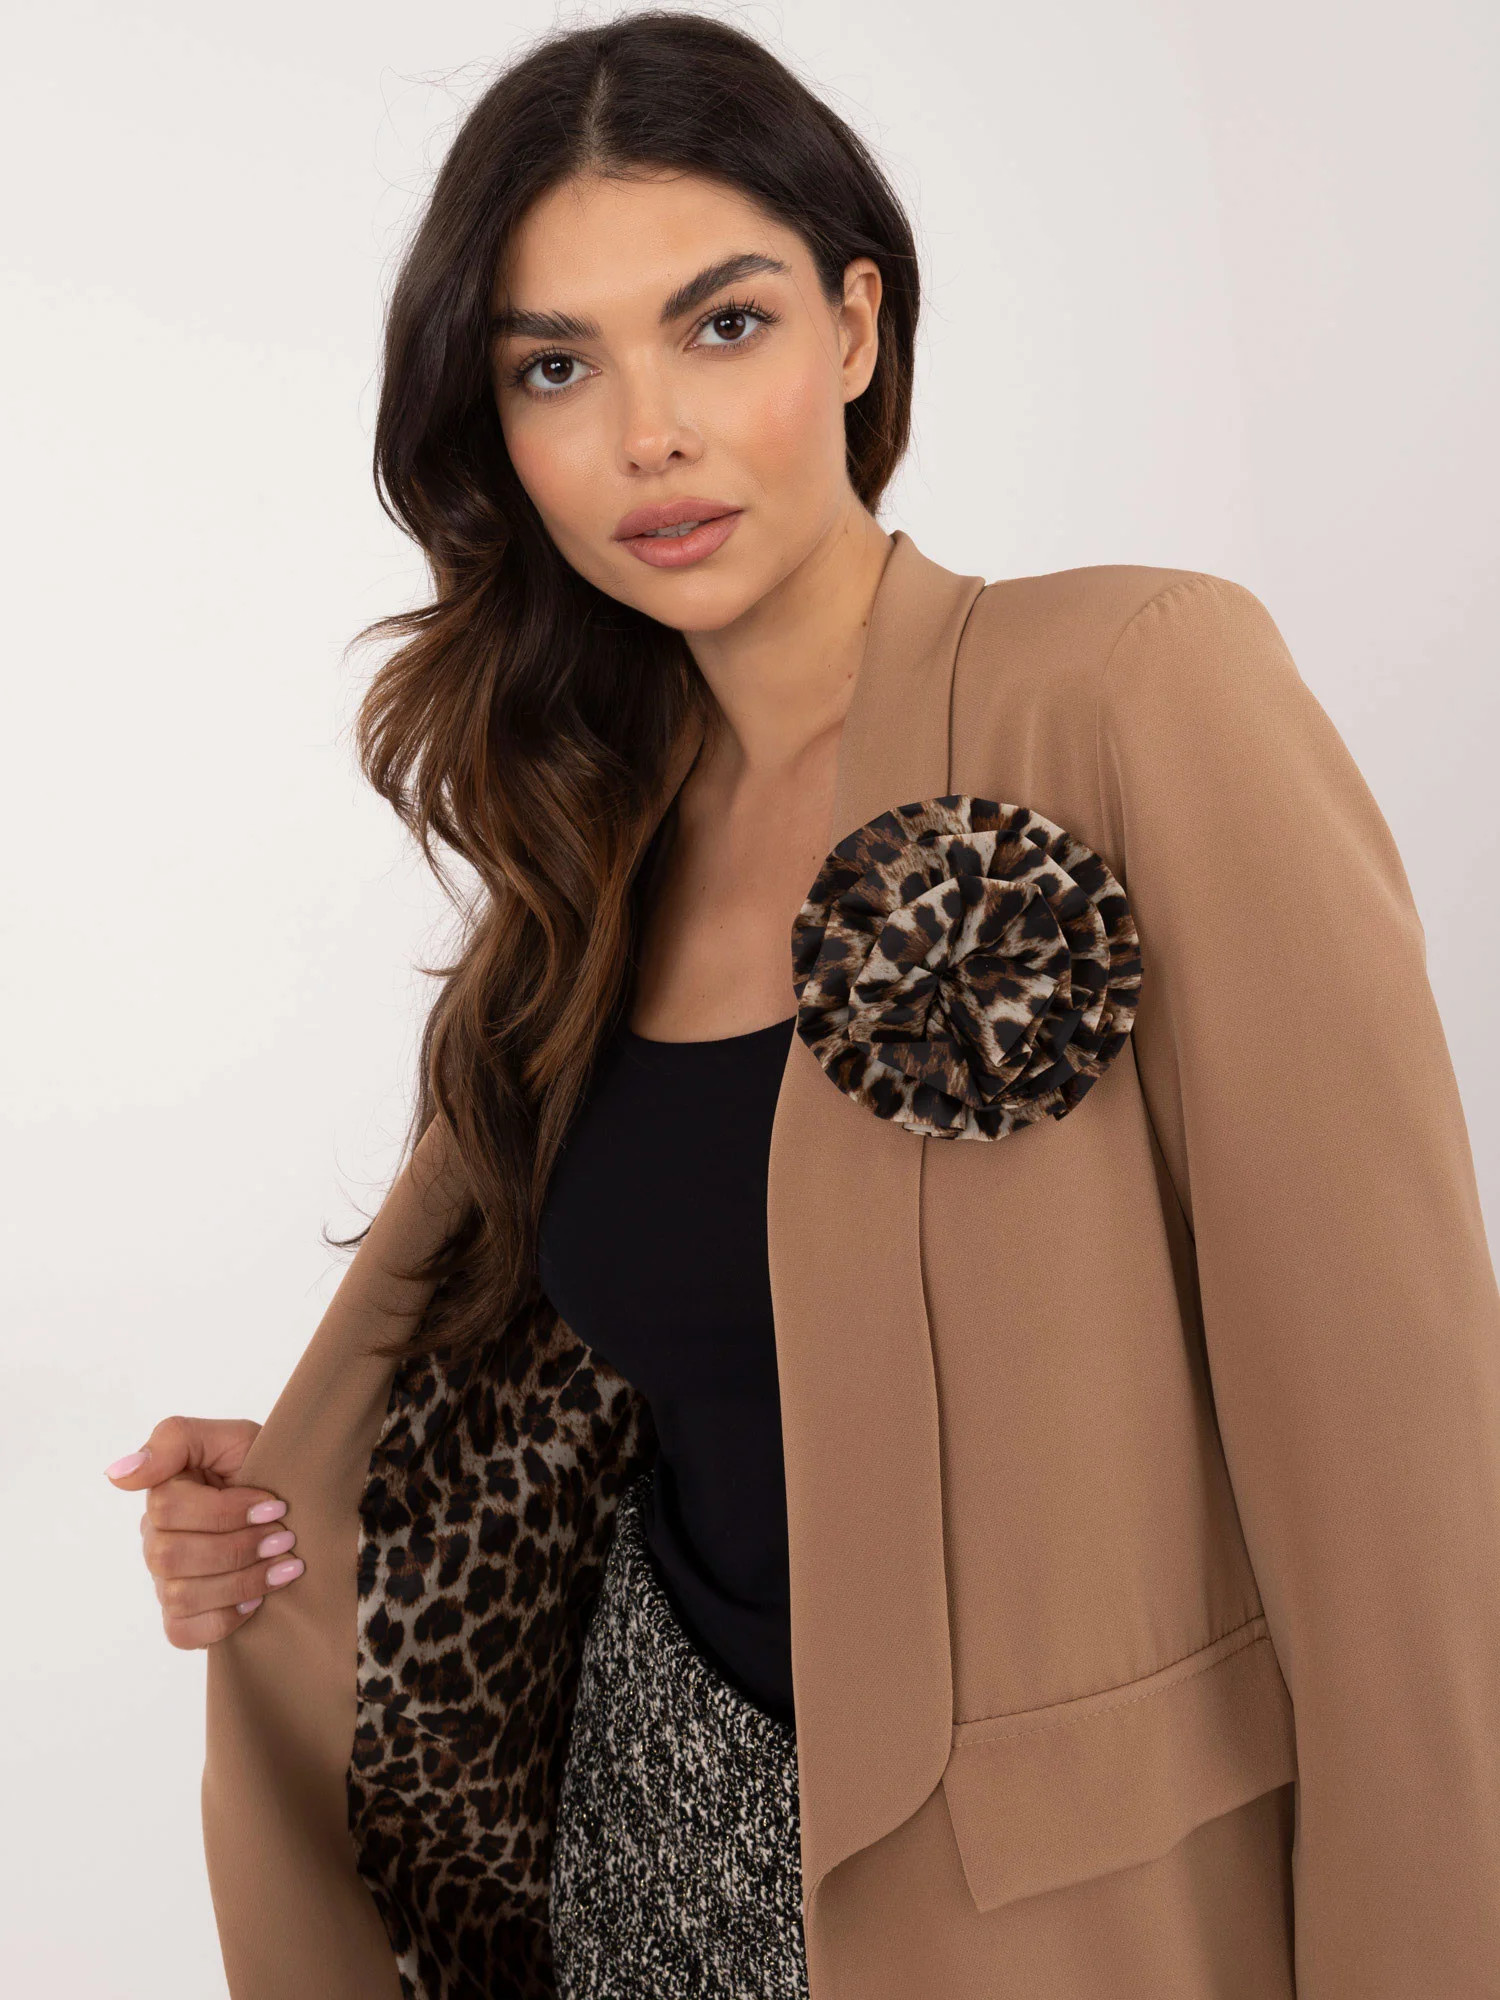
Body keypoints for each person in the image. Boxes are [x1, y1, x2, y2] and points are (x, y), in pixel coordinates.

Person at [106, 11, 1500, 1999]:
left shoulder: (1127, 689)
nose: (647, 435)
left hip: (1056, 1923)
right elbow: (611, 1399)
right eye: (556, 367)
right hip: (645, 1880)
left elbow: (1402, 1475)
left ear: (855, 326)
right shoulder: (583, 866)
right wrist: (295, 1521)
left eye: (723, 325)